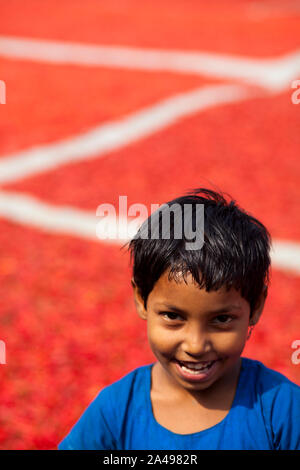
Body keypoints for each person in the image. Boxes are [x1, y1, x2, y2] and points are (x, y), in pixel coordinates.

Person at [58, 187, 300, 450]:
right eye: (173, 316)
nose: (195, 346)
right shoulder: (114, 414)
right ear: (141, 299)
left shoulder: (282, 411)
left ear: (256, 306)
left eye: (221, 320)